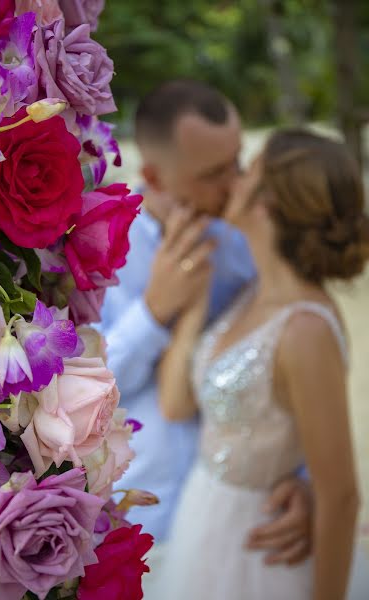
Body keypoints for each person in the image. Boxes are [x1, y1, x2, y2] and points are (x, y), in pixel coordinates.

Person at [97, 80, 312, 593]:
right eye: (215, 174)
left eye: (238, 161)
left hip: (252, 520)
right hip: (141, 524)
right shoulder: (96, 243)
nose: (238, 184)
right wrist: (153, 313)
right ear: (154, 176)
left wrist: (303, 481)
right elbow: (77, 394)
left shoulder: (249, 238)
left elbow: (284, 369)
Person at [158, 129, 369, 599]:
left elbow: (341, 495)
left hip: (262, 551)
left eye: (245, 171)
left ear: (268, 203)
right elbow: (175, 404)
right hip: (205, 521)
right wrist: (192, 302)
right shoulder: (250, 297)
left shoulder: (306, 331)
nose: (231, 181)